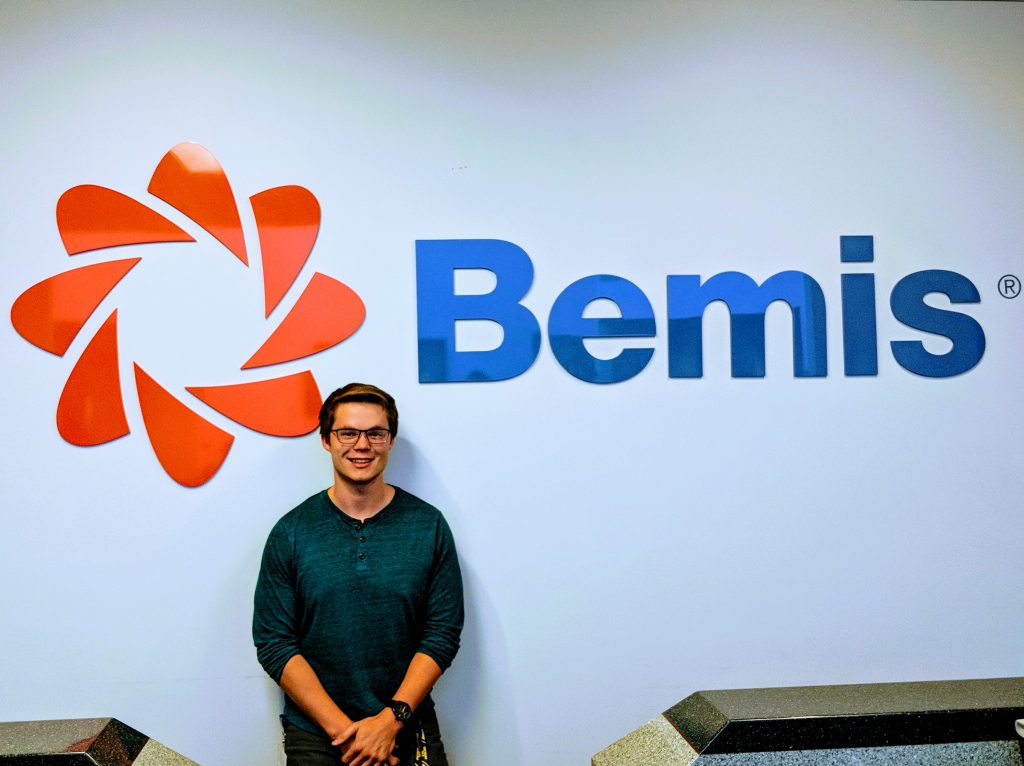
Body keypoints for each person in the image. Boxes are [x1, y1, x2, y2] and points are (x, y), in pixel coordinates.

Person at [254, 383, 464, 766]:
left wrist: (388, 723)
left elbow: (442, 634)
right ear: (326, 440)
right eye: (347, 432)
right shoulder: (292, 532)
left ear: (391, 440)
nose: (362, 445)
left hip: (405, 722)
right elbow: (274, 643)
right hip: (320, 735)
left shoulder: (427, 525)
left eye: (375, 433)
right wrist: (349, 735)